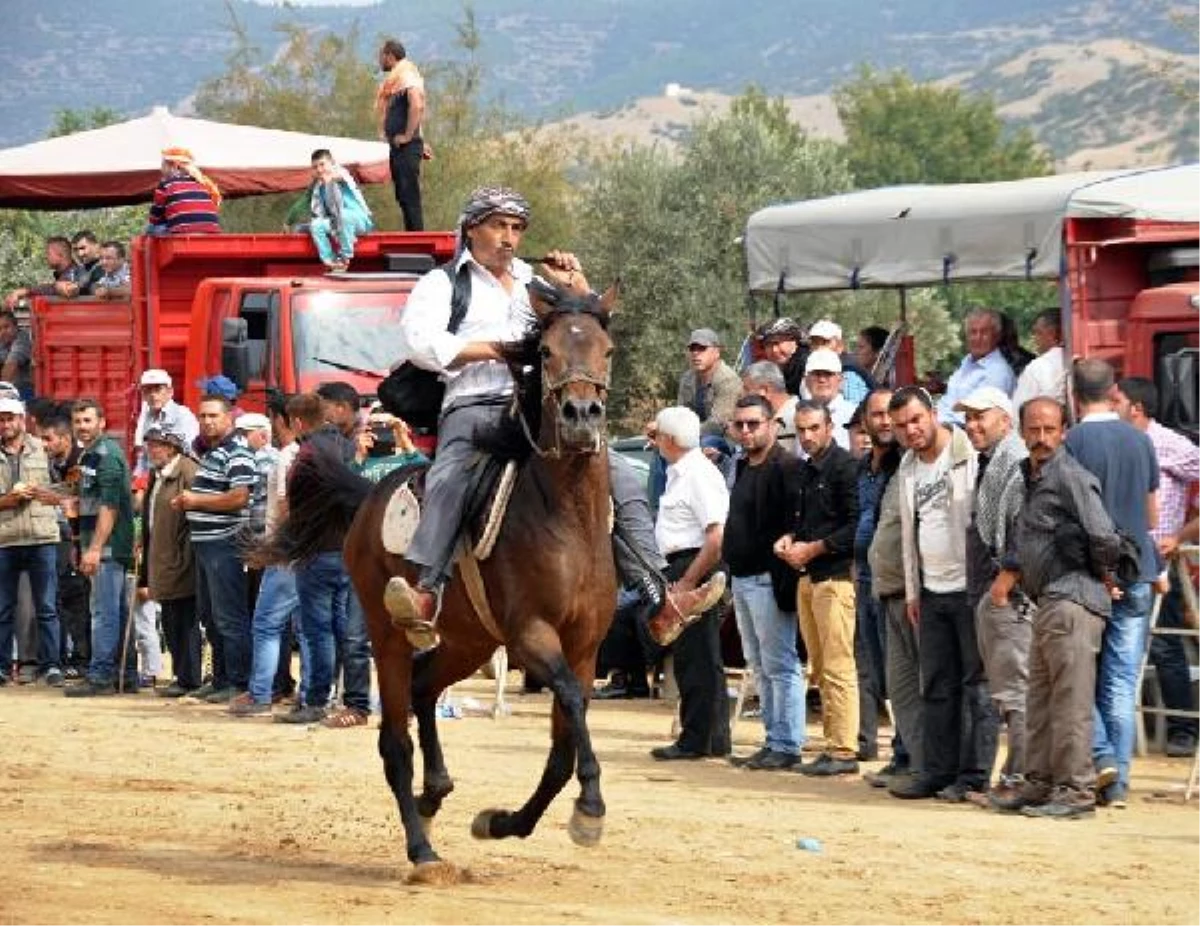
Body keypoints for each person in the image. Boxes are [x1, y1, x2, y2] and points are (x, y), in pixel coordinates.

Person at [386, 186, 723, 645]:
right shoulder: (443, 283)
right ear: (471, 229)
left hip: (535, 407)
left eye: (517, 228)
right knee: (450, 474)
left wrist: (579, 286)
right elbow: (420, 343)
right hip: (474, 404)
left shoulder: (534, 284)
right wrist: (496, 350)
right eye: (499, 226)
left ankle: (659, 594)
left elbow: (582, 328)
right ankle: (428, 590)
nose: (509, 238)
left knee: (618, 475)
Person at [992, 398, 1123, 818]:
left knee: (1070, 702)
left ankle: (1076, 791)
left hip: (1072, 599)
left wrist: (1103, 574)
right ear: (1023, 432)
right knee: (1041, 700)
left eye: (1050, 429)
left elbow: (1104, 536)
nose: (1042, 438)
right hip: (1048, 601)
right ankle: (1041, 783)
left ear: (1064, 431)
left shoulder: (1070, 476)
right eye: (1034, 430)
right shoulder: (1031, 475)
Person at [887, 386, 996, 800]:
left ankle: (973, 776)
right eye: (901, 426)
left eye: (916, 420)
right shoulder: (909, 467)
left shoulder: (967, 454)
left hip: (970, 590)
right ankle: (936, 771)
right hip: (930, 592)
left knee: (976, 687)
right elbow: (909, 535)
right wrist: (914, 592)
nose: (911, 430)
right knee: (935, 685)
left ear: (933, 414)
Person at [1065, 359, 1158, 807]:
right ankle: (1118, 777)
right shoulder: (1141, 440)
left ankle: (1101, 756)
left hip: (1090, 572)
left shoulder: (1074, 441)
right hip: (1138, 569)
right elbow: (1154, 515)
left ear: (1074, 392)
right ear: (1113, 389)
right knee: (1121, 679)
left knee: (1081, 670)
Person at [1114, 376, 1200, 758]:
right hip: (1120, 563)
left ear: (1136, 407)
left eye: (1116, 400)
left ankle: (1183, 729)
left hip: (1161, 564)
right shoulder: (1117, 444)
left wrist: (1181, 535)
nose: (1109, 405)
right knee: (1119, 647)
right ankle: (1124, 734)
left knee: (1164, 646)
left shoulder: (1173, 445)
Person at [775, 399, 861, 776]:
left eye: (814, 428)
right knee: (821, 667)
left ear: (829, 427)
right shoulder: (807, 471)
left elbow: (855, 526)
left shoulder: (845, 468)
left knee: (839, 666)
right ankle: (832, 744)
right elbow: (809, 522)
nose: (807, 437)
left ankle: (843, 750)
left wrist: (814, 548)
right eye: (802, 430)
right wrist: (791, 539)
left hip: (835, 578)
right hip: (808, 577)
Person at [955, 386, 1031, 806]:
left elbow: (1024, 527)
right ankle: (1015, 778)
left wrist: (1005, 581)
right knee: (1010, 694)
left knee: (1016, 694)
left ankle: (1017, 781)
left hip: (1010, 595)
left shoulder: (1014, 461)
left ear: (1005, 418)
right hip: (993, 592)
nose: (972, 424)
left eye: (980, 416)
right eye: (967, 417)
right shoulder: (994, 460)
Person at [723, 395, 805, 770]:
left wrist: (782, 577)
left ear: (773, 424)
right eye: (739, 424)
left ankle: (786, 743)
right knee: (759, 665)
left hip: (769, 579)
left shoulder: (786, 467)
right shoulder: (742, 466)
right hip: (741, 579)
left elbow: (796, 523)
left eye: (753, 423)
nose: (746, 431)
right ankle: (774, 740)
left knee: (779, 664)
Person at [649, 407, 731, 761]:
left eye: (656, 437)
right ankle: (709, 736)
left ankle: (697, 738)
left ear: (668, 440)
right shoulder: (682, 472)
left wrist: (687, 581)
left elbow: (715, 538)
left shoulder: (697, 474)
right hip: (683, 564)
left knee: (697, 656)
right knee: (696, 656)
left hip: (693, 564)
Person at [174, 395, 256, 703]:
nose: (207, 421)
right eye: (203, 416)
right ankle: (221, 679)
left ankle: (239, 682)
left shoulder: (237, 451)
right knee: (210, 616)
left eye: (213, 416)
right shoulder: (213, 452)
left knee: (230, 617)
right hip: (206, 545)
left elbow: (239, 497)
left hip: (226, 543)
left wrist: (196, 501)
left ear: (229, 418)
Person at [231, 397, 302, 717]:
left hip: (286, 553)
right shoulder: (313, 452)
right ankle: (306, 693)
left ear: (281, 420)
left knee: (266, 623)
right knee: (310, 627)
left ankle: (261, 693)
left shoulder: (287, 456)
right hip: (309, 551)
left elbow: (285, 508)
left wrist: (273, 548)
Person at [64, 399, 138, 696]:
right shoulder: (89, 455)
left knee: (103, 612)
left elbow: (110, 506)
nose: (82, 427)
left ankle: (102, 676)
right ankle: (126, 674)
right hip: (101, 544)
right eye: (78, 421)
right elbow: (88, 500)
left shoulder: (106, 455)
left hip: (107, 547)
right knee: (115, 611)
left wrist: (94, 548)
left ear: (102, 422)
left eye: (87, 420)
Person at [867, 422, 923, 789]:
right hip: (886, 589)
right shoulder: (898, 468)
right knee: (899, 686)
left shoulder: (928, 470)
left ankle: (929, 765)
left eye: (910, 423)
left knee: (924, 684)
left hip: (914, 594)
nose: (901, 430)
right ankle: (912, 761)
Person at [853, 388, 905, 769]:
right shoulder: (862, 469)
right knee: (868, 666)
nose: (884, 421)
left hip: (897, 583)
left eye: (890, 414)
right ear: (865, 421)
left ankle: (905, 752)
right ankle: (868, 742)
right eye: (876, 415)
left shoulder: (906, 466)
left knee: (901, 671)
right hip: (863, 579)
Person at [0, 397, 63, 687]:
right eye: (1, 419)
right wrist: (7, 500)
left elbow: (65, 485)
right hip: (5, 538)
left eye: (10, 418)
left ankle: (51, 665)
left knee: (47, 607)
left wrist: (52, 495)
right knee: (3, 608)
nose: (5, 424)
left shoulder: (43, 448)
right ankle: (2, 667)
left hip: (41, 536)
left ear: (22, 420)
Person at [138, 427, 201, 697]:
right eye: (150, 445)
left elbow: (196, 519)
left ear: (173, 447)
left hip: (183, 559)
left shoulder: (188, 470)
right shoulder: (158, 474)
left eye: (159, 445)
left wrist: (185, 556)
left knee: (185, 620)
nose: (153, 450)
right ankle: (180, 675)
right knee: (172, 620)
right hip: (162, 558)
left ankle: (189, 678)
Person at [377, 39, 426, 231]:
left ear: (389, 56)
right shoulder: (396, 81)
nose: (380, 61)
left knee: (409, 194)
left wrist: (409, 136)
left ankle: (418, 239)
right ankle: (412, 234)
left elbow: (417, 105)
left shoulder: (407, 76)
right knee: (403, 195)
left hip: (406, 145)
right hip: (399, 147)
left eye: (381, 56)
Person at [936, 308, 1017, 425]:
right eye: (973, 332)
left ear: (997, 336)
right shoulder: (966, 363)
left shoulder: (997, 372)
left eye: (984, 332)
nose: (978, 338)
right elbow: (948, 401)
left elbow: (976, 419)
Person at [307, 149, 375, 272]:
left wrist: (330, 179)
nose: (319, 169)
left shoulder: (341, 173)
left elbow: (339, 177)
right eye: (315, 167)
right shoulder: (318, 187)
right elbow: (318, 211)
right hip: (337, 222)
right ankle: (331, 261)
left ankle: (345, 257)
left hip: (359, 221)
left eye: (322, 164)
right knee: (316, 225)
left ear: (332, 162)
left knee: (344, 216)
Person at [133, 369, 199, 477]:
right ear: (143, 395)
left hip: (177, 475)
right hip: (155, 477)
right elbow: (144, 454)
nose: (153, 395)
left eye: (158, 389)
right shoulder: (147, 416)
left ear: (170, 392)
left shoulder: (182, 415)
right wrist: (138, 479)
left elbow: (189, 451)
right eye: (148, 390)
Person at [677, 328, 741, 438]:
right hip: (694, 436)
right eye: (692, 349)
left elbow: (718, 424)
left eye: (702, 348)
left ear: (717, 352)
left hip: (725, 439)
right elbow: (681, 414)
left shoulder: (728, 380)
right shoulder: (687, 378)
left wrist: (683, 434)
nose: (696, 353)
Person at [147, 147, 221, 236]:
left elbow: (154, 217)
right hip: (211, 233)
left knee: (152, 228)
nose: (161, 169)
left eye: (163, 165)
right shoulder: (204, 184)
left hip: (182, 233)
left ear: (174, 166)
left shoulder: (166, 184)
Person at [806, 319, 873, 404]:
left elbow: (852, 414)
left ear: (840, 346)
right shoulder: (809, 373)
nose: (819, 348)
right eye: (815, 343)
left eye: (825, 342)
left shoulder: (848, 375)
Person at [1010, 310, 1065, 412]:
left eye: (1038, 332)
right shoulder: (1074, 361)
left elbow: (1018, 410)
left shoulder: (1037, 367)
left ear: (1052, 334)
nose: (1035, 339)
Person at [740, 361, 798, 455]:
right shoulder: (773, 416)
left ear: (764, 390)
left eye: (747, 389)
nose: (743, 396)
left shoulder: (795, 418)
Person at [5, 236, 80, 308]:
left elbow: (55, 289)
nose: (46, 257)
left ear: (60, 255)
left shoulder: (73, 274)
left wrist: (26, 291)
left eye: (48, 253)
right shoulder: (67, 273)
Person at [801, 349, 854, 449]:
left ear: (840, 379)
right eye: (817, 374)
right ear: (806, 380)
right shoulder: (798, 415)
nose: (822, 379)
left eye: (828, 374)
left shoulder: (853, 415)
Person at [756, 317, 807, 396]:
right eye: (768, 344)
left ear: (795, 341)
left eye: (777, 343)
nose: (774, 350)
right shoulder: (779, 370)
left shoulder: (806, 366)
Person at [0, 311, 33, 400]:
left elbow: (11, 366)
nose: (2, 332)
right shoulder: (3, 342)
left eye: (6, 327)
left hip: (24, 390)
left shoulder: (22, 338)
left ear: (16, 326)